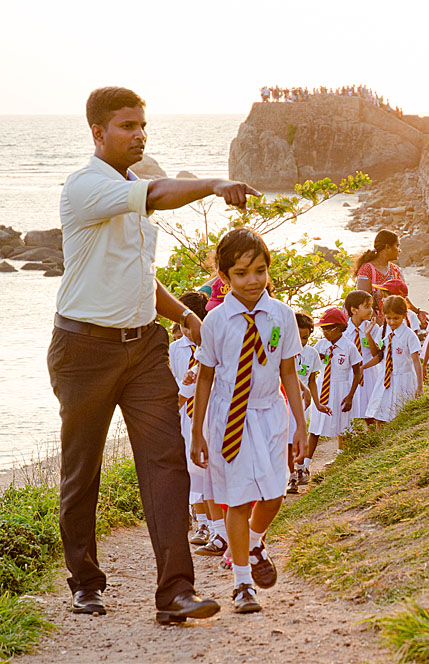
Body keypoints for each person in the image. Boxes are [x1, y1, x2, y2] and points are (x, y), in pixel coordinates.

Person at [49, 86, 261, 622]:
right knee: (82, 468)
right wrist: (213, 183)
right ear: (97, 132)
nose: (139, 134)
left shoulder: (134, 185)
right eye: (126, 126)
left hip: (143, 346)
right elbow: (161, 194)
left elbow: (138, 274)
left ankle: (176, 592)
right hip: (83, 349)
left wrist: (183, 315)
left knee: (166, 462)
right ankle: (85, 580)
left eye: (142, 124)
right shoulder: (85, 186)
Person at [189, 228, 308, 614]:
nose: (252, 280)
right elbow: (205, 377)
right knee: (237, 500)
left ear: (268, 270)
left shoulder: (282, 316)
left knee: (274, 495)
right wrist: (198, 432)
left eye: (259, 270)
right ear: (225, 278)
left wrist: (300, 424)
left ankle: (255, 542)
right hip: (230, 418)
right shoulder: (217, 321)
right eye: (241, 273)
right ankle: (242, 584)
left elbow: (288, 372)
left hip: (270, 413)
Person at [167, 291, 212, 544]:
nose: (185, 331)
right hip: (186, 415)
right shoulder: (175, 349)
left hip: (209, 412)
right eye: (181, 326)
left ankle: (215, 522)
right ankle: (202, 523)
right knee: (191, 466)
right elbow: (175, 381)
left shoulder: (211, 343)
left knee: (210, 465)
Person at [306, 308, 362, 457]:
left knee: (343, 426)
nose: (324, 332)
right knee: (315, 426)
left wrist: (350, 396)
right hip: (322, 387)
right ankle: (304, 464)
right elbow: (312, 366)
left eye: (327, 329)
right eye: (323, 329)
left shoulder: (349, 347)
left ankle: (341, 457)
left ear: (337, 328)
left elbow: (357, 372)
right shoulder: (321, 345)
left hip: (341, 388)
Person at [362, 295, 424, 424]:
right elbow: (378, 356)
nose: (392, 322)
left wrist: (420, 386)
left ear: (404, 315)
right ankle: (382, 441)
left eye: (396, 318)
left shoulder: (409, 335)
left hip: (404, 379)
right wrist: (368, 335)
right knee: (379, 415)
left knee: (400, 415)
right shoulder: (383, 332)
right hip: (385, 379)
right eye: (388, 318)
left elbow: (416, 362)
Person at [286, 312, 328, 494]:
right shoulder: (284, 352)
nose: (301, 341)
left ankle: (299, 469)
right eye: (298, 337)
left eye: (305, 337)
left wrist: (317, 404)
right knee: (287, 441)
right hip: (285, 401)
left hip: (304, 404)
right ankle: (291, 477)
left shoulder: (311, 354)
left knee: (298, 440)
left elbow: (312, 381)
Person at [355, 230, 427, 325]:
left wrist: (417, 312)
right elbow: (362, 303)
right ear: (387, 247)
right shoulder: (367, 269)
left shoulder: (396, 270)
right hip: (372, 325)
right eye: (397, 246)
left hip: (394, 322)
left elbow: (403, 297)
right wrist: (381, 326)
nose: (399, 250)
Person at [344, 290, 377, 427]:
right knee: (349, 414)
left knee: (371, 413)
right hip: (350, 376)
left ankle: (375, 442)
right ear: (354, 310)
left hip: (369, 373)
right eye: (367, 306)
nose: (371, 310)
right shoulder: (344, 332)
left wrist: (368, 335)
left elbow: (376, 354)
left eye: (371, 306)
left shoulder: (374, 328)